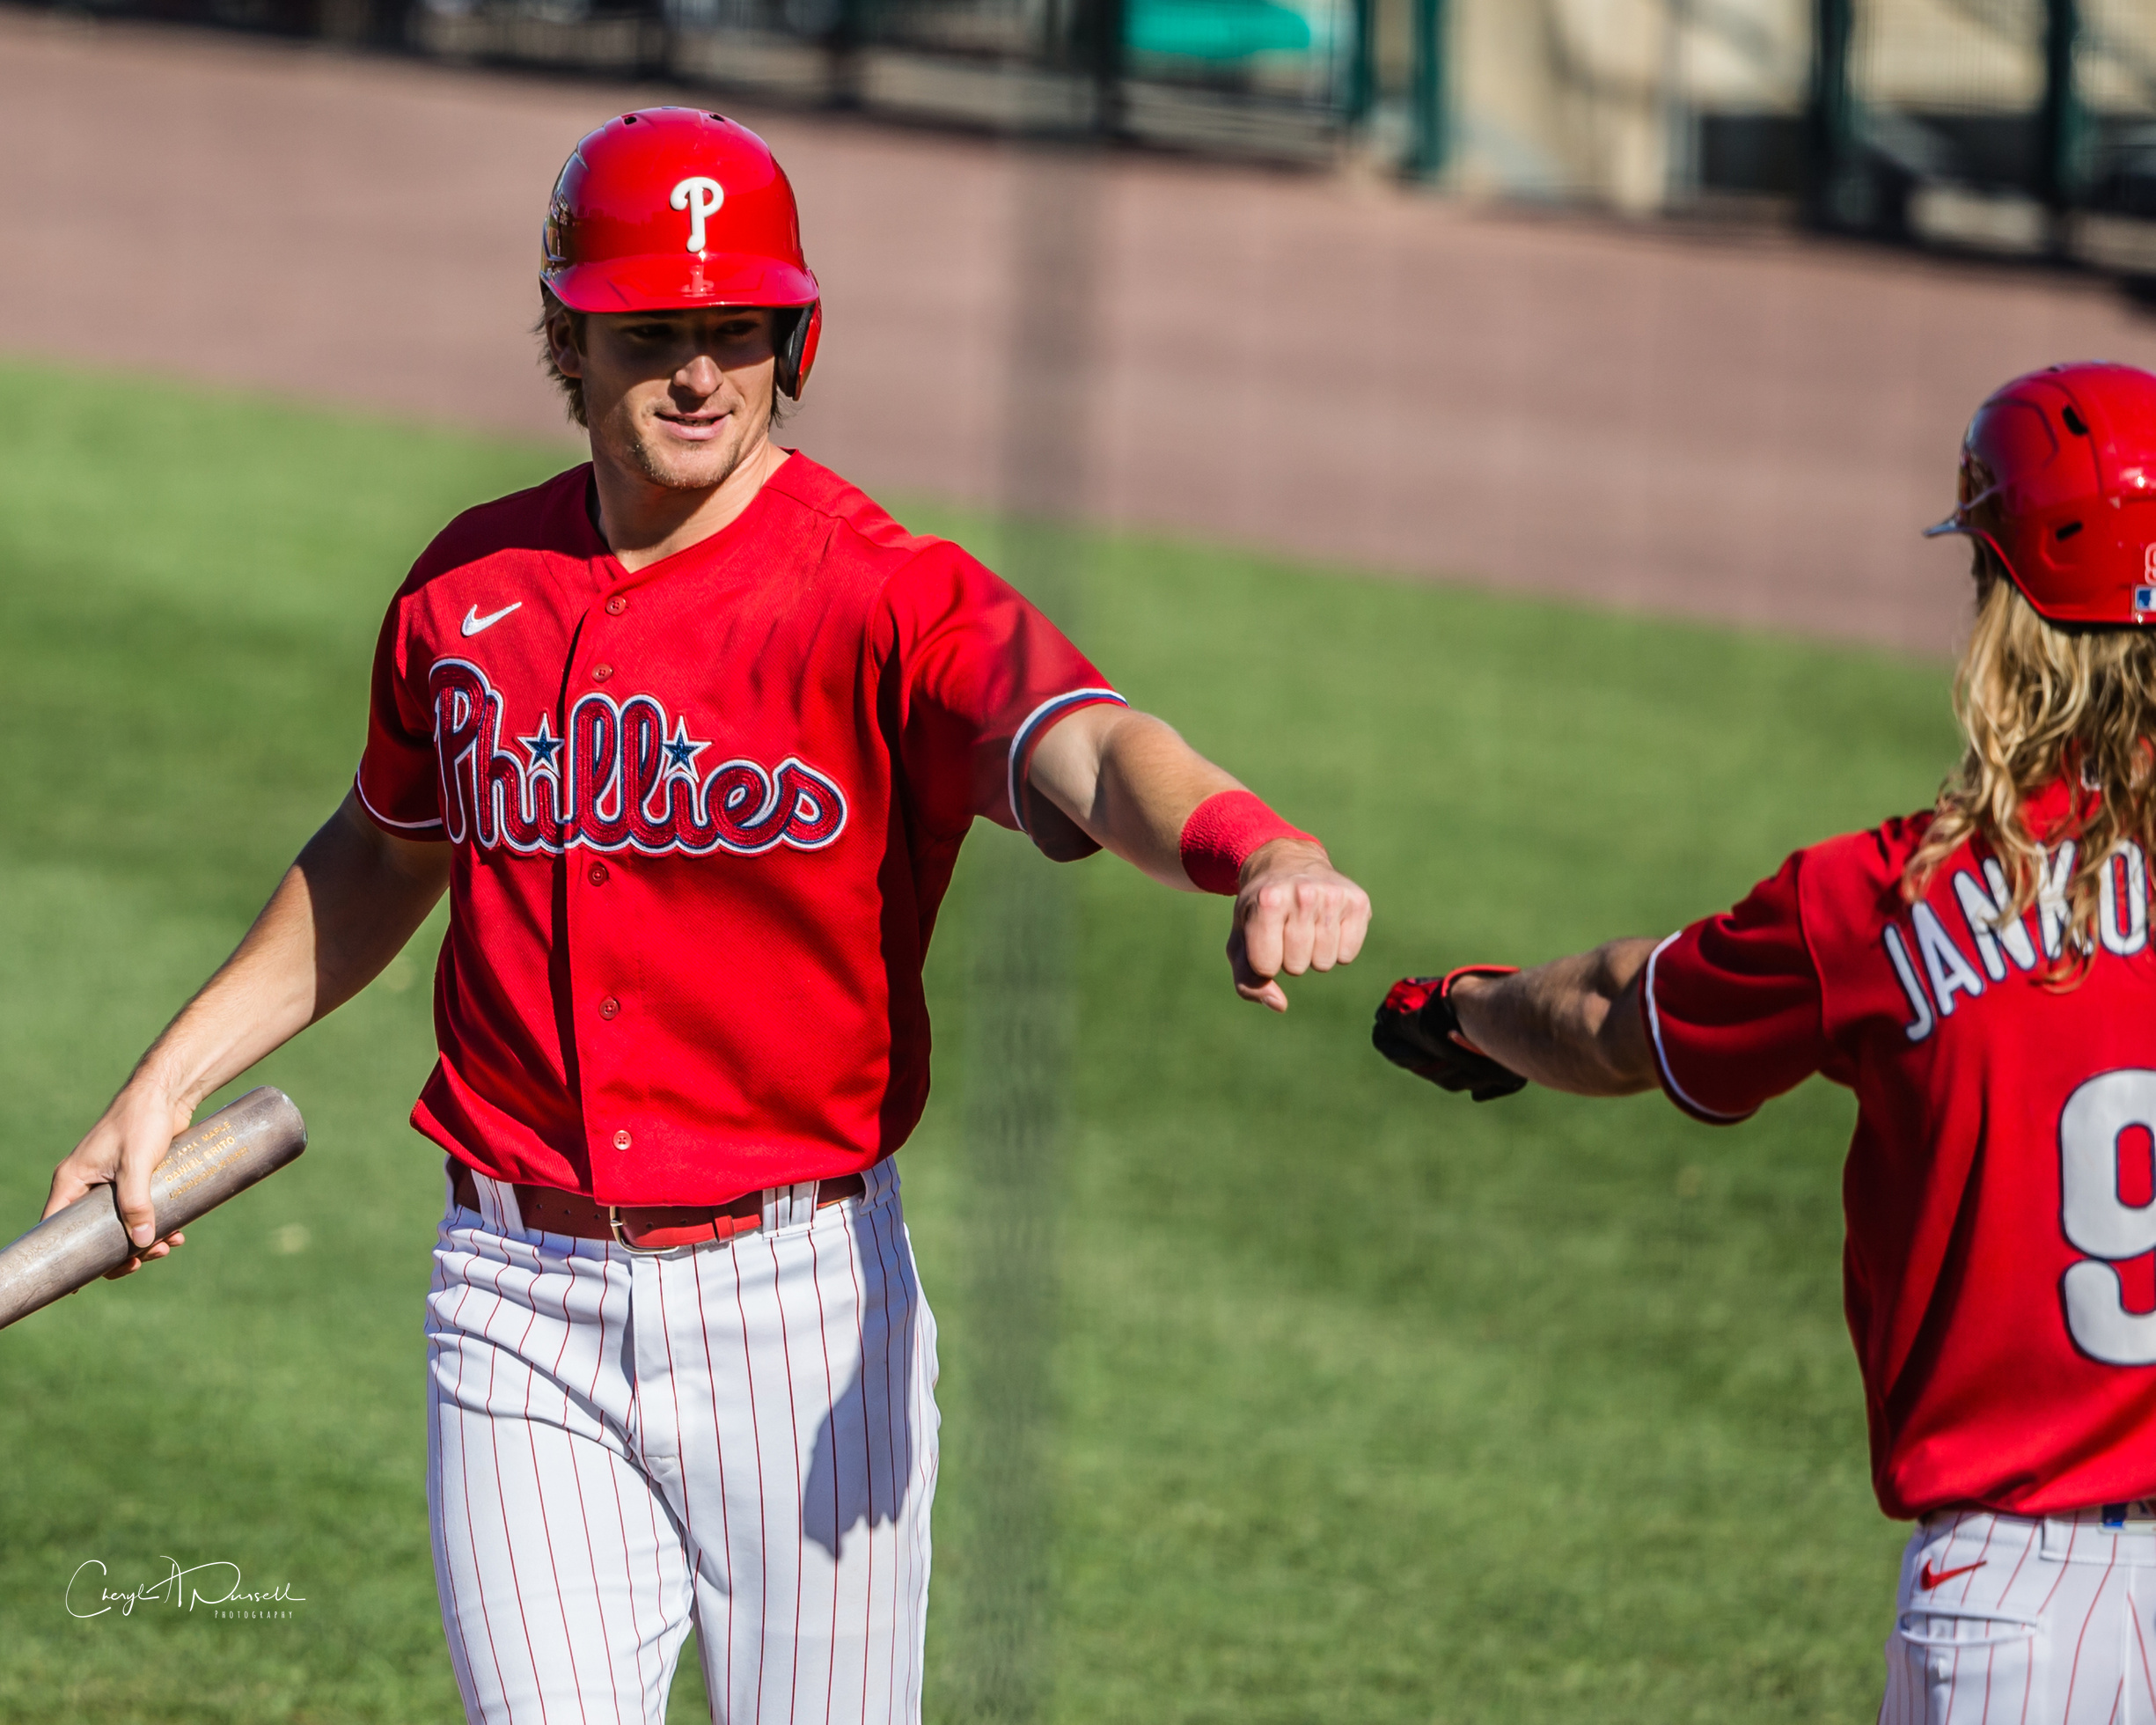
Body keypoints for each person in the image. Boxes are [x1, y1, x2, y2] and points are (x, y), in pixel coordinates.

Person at [46, 108, 1370, 1724]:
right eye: (651, 333)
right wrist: (165, 1079)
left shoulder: (887, 593)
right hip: (512, 1298)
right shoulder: (465, 594)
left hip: (798, 1316)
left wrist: (1258, 845)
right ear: (567, 338)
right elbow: (387, 852)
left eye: (733, 332)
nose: (696, 374)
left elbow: (1088, 741)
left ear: (789, 339)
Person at [1373, 361, 2156, 1723]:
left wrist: (1470, 1011)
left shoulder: (1880, 901)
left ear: (2001, 605)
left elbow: (1622, 1015)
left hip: (2021, 1612)